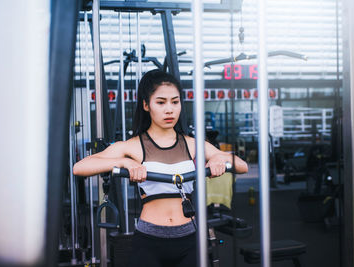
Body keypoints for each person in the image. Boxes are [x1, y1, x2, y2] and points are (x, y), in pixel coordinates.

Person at [73, 69, 248, 267]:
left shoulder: (192, 144)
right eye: (161, 102)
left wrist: (217, 157)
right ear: (146, 105)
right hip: (149, 241)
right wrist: (124, 162)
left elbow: (242, 166)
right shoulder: (133, 145)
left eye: (175, 102)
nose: (169, 109)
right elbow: (80, 167)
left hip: (189, 239)